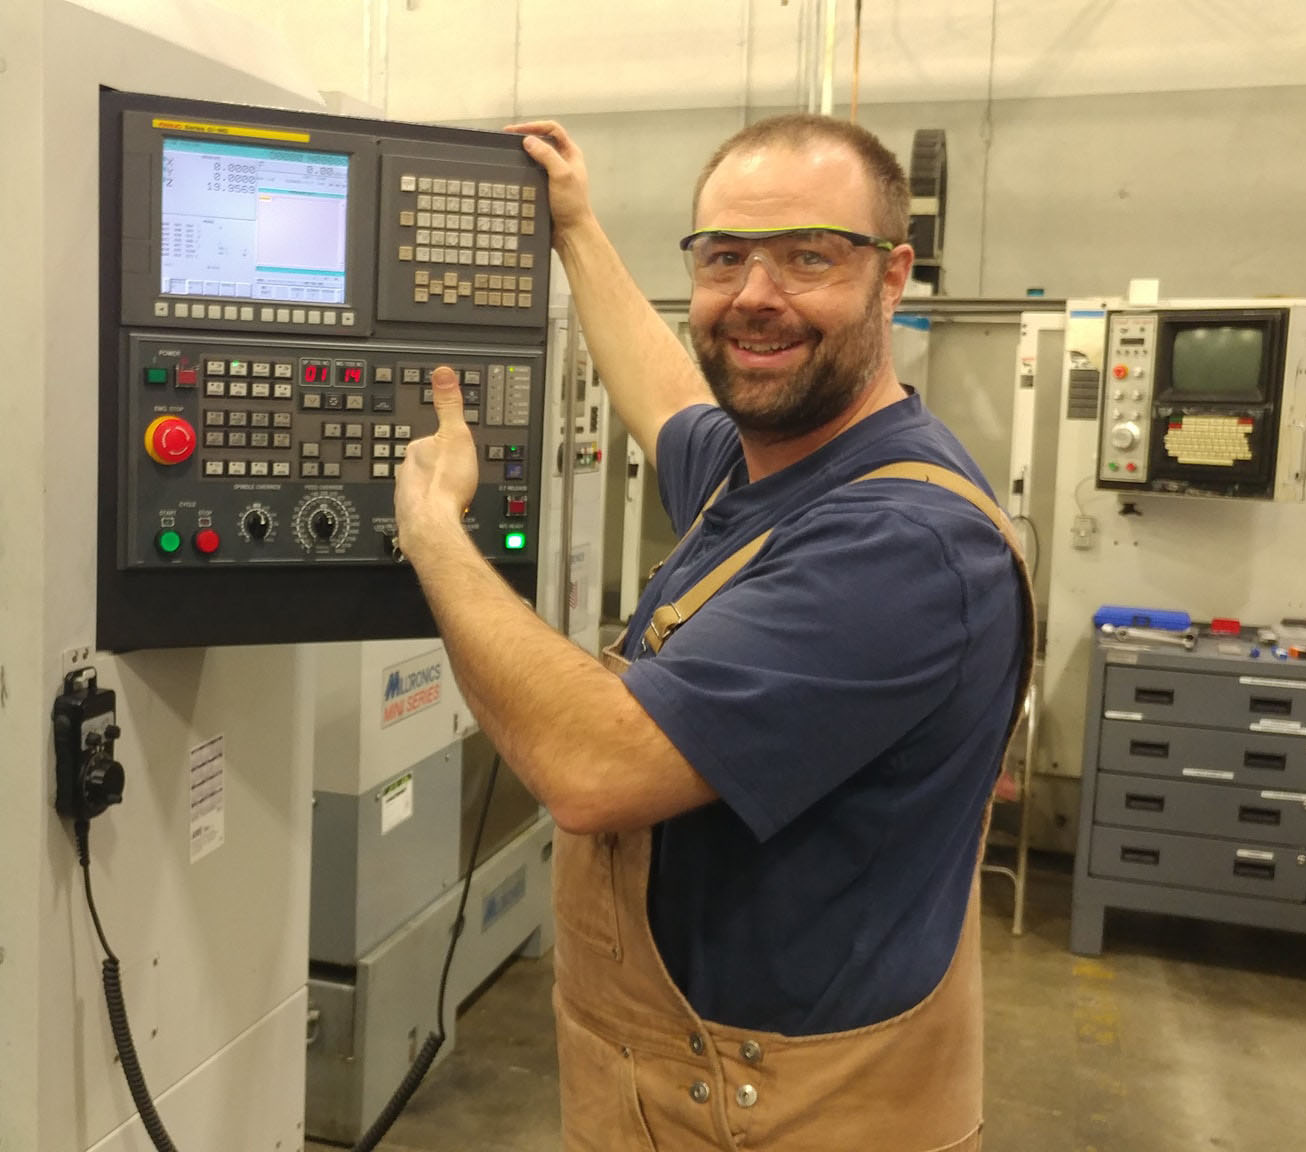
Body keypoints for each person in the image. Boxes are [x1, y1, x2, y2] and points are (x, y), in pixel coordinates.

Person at [394, 114, 1032, 1151]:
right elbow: (668, 398)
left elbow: (590, 767)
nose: (754, 297)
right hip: (680, 1082)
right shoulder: (768, 466)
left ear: (892, 274)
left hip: (779, 1112)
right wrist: (575, 229)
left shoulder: (899, 546)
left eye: (808, 257)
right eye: (723, 258)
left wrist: (434, 534)